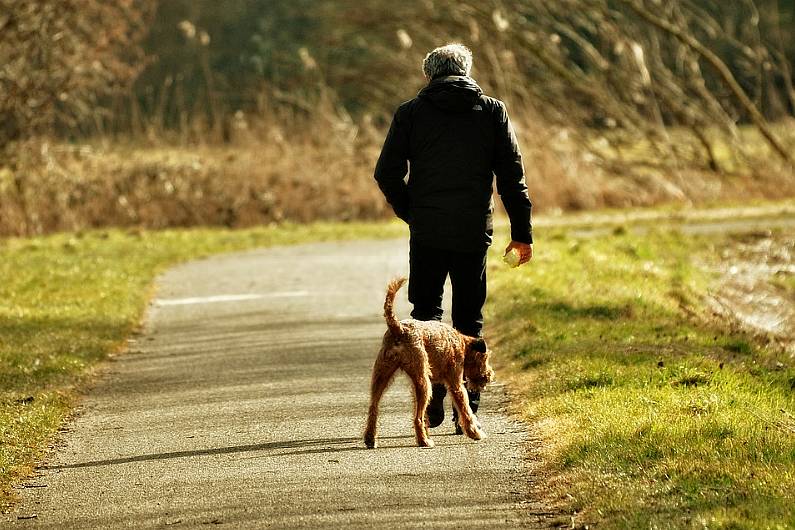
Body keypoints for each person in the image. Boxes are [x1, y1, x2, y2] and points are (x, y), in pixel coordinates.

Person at [374, 43, 533, 432]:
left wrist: (411, 211)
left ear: (429, 75)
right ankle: (470, 404)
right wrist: (522, 233)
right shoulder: (491, 111)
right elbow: (511, 176)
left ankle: (432, 400)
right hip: (472, 230)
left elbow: (386, 172)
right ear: (466, 71)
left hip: (427, 230)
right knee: (469, 317)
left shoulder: (410, 113)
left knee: (425, 312)